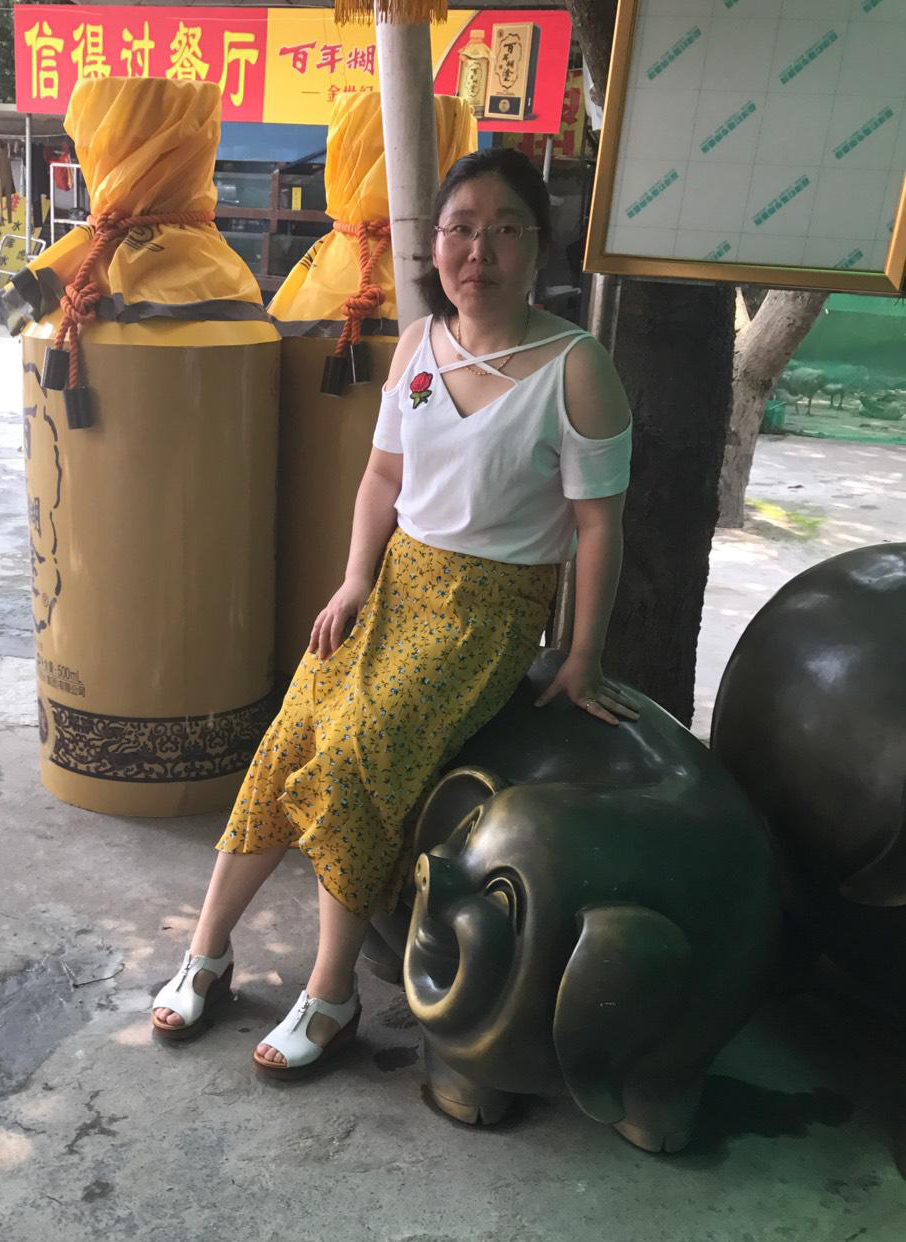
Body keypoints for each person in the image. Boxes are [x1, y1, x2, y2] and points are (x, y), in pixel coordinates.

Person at [150, 148, 638, 1078]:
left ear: (539, 247)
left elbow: (596, 525)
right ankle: (206, 952)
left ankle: (331, 993)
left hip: (486, 610)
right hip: (396, 584)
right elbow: (382, 476)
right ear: (434, 244)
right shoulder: (418, 343)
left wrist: (582, 656)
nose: (477, 252)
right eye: (460, 229)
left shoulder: (576, 367)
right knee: (286, 738)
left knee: (353, 754)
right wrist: (352, 580)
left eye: (504, 230)